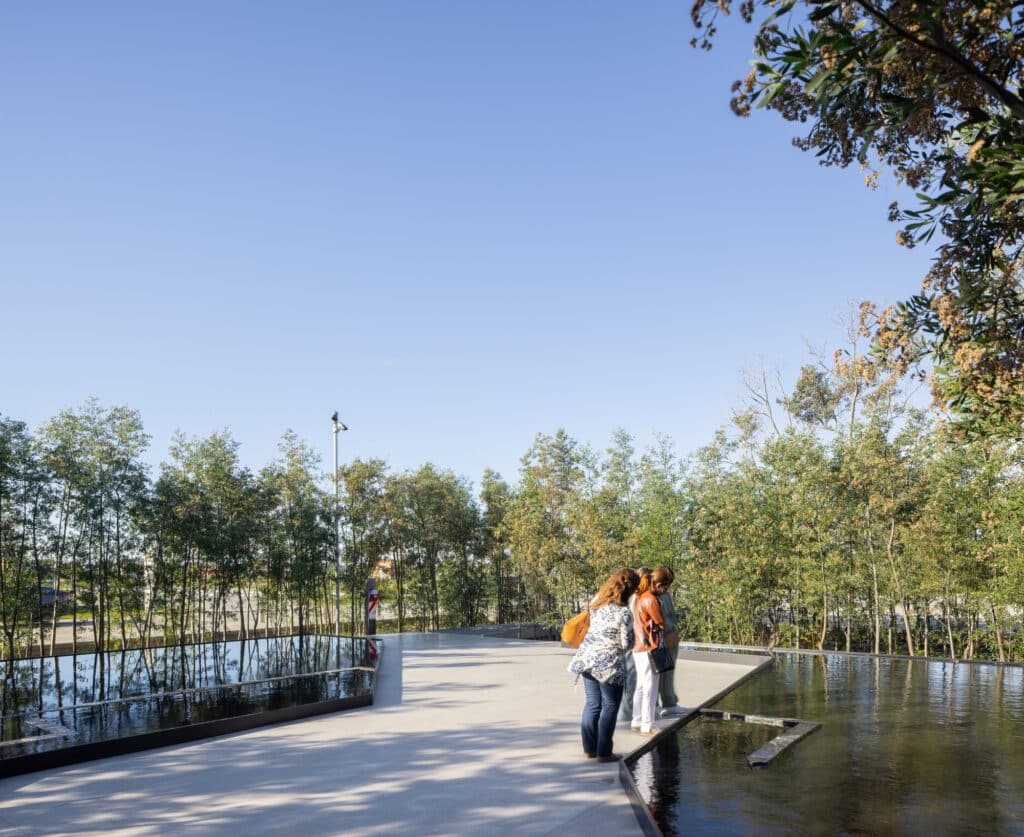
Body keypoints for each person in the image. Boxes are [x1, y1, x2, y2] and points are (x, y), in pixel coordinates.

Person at [568, 568, 640, 763]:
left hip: (586, 659)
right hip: (608, 665)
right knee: (609, 706)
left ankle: (589, 749)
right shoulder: (624, 613)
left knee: (592, 704)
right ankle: (604, 752)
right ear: (631, 590)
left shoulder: (596, 605)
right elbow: (626, 644)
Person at [631, 568, 665, 736]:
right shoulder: (649, 599)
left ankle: (636, 721)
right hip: (649, 647)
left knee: (641, 686)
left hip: (637, 647)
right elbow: (660, 621)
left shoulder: (636, 598)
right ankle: (648, 725)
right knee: (650, 687)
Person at [618, 566, 651, 725]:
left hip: (633, 644)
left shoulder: (634, 598)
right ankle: (626, 714)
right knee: (633, 681)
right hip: (634, 645)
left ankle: (631, 714)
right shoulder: (635, 599)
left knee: (635, 681)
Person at [653, 567, 684, 716]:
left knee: (669, 671)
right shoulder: (652, 596)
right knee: (657, 673)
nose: (667, 588)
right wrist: (667, 632)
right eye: (666, 584)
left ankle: (670, 701)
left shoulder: (666, 595)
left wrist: (674, 631)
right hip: (661, 638)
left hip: (671, 636)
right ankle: (655, 704)